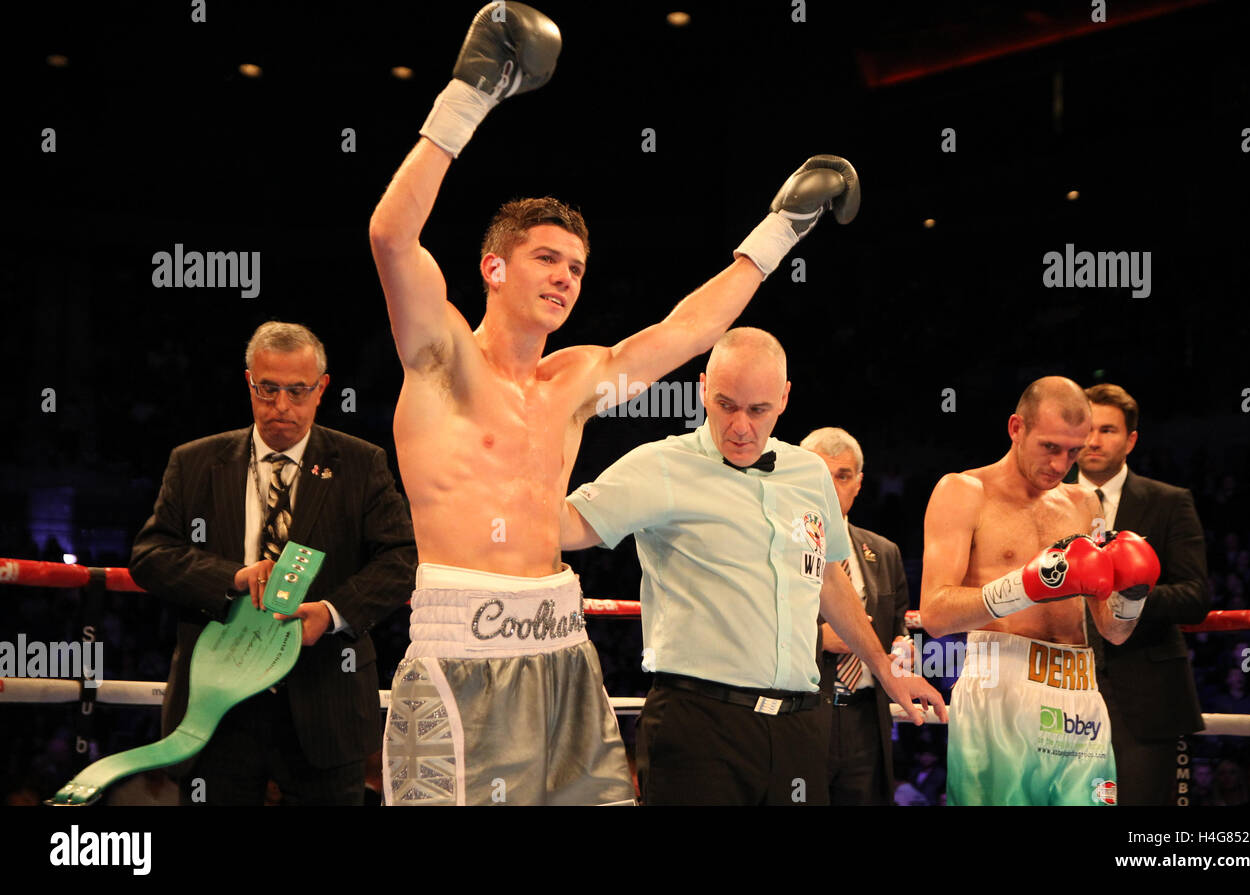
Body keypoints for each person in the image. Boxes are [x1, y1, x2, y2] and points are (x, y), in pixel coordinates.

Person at [369, 3, 860, 805]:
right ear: (493, 268)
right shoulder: (441, 361)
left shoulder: (574, 383)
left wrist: (781, 228)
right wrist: (472, 93)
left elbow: (687, 330)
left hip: (563, 649)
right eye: (546, 258)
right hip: (462, 647)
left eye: (577, 266)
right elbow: (392, 236)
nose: (566, 276)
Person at [562, 329, 945, 805]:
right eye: (726, 405)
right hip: (700, 726)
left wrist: (885, 670)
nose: (740, 426)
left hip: (799, 729)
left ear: (784, 398)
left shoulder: (808, 473)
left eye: (758, 410)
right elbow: (566, 526)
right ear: (703, 389)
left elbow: (829, 579)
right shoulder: (660, 465)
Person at [130, 322, 417, 805]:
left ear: (322, 389)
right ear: (249, 383)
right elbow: (150, 555)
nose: (281, 406)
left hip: (325, 696)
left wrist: (332, 613)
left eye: (297, 390)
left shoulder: (361, 463)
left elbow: (402, 557)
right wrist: (233, 578)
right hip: (220, 704)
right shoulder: (195, 461)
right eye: (268, 389)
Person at [919, 375, 1158, 805]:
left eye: (1072, 452)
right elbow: (935, 615)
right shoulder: (963, 491)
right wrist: (1029, 584)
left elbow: (1113, 631)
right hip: (1000, 688)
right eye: (1050, 447)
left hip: (1079, 690)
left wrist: (1132, 595)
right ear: (1017, 428)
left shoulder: (1085, 504)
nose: (1060, 463)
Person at [1075, 382, 1210, 805]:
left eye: (1108, 430)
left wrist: (1121, 598)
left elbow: (1194, 596)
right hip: (1062, 688)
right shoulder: (1043, 500)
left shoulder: (1168, 502)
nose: (1093, 440)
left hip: (1145, 692)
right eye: (1086, 428)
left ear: (1130, 440)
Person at [801, 426, 911, 805]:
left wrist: (902, 652)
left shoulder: (884, 552)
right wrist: (820, 638)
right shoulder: (774, 547)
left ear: (858, 483)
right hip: (802, 714)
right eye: (820, 474)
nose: (831, 487)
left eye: (843, 476)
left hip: (867, 718)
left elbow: (898, 629)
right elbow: (751, 626)